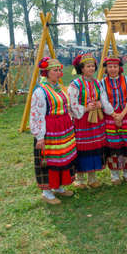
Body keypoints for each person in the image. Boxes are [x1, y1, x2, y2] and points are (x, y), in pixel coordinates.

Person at [30, 57, 77, 204]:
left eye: (59, 70)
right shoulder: (40, 91)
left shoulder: (58, 87)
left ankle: (59, 186)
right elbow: (37, 114)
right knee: (50, 159)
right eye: (54, 70)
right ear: (46, 72)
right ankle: (47, 191)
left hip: (63, 127)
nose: (58, 73)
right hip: (50, 129)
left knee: (62, 157)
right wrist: (40, 136)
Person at [68, 53, 114, 189]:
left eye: (93, 66)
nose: (91, 68)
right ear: (81, 68)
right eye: (88, 66)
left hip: (97, 120)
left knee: (95, 147)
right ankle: (80, 178)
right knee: (83, 148)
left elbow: (104, 98)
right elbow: (72, 104)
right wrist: (86, 108)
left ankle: (92, 178)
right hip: (82, 121)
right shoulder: (75, 85)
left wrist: (100, 104)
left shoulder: (97, 83)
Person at [100, 56, 127, 184]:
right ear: (106, 68)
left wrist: (122, 115)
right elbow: (104, 101)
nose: (113, 69)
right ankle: (115, 174)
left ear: (119, 68)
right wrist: (115, 115)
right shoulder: (102, 83)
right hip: (111, 118)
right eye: (110, 67)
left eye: (115, 67)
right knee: (114, 147)